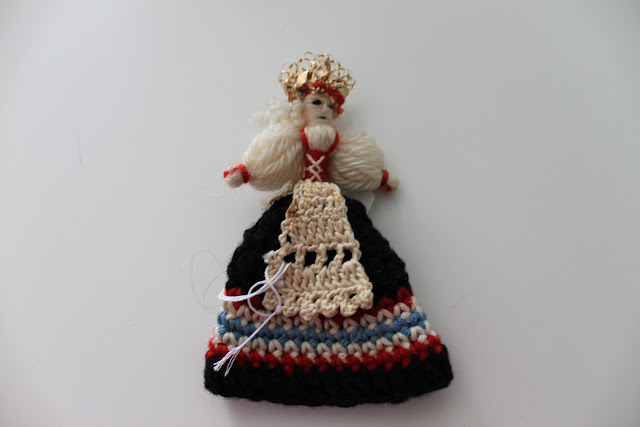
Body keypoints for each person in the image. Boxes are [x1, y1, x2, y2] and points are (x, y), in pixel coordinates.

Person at [204, 53, 452, 406]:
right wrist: (246, 172)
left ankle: (367, 352)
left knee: (363, 264)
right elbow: (272, 160)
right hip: (291, 217)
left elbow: (355, 165)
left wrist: (379, 177)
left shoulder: (338, 144)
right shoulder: (291, 140)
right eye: (316, 102)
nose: (323, 109)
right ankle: (260, 350)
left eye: (329, 105)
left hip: (338, 217)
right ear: (300, 106)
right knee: (270, 267)